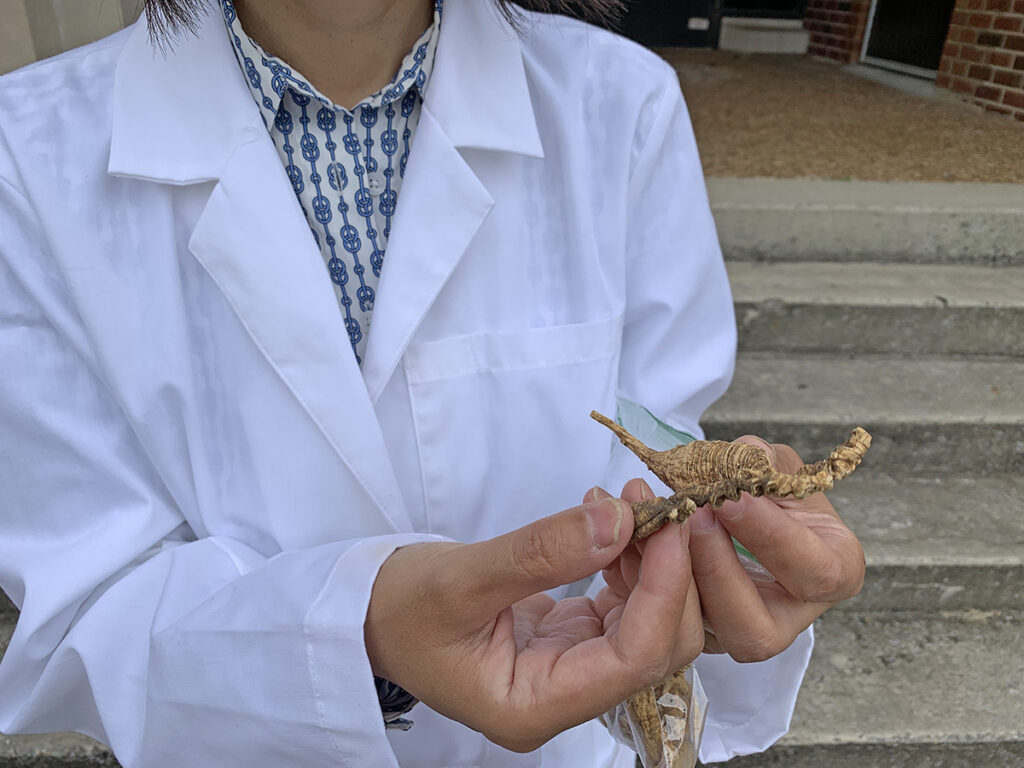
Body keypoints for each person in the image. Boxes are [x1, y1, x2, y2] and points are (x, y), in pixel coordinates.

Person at [0, 0, 865, 766]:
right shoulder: (26, 153)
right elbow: (86, 607)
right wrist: (359, 636)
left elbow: (656, 462)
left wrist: (726, 572)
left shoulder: (621, 105)